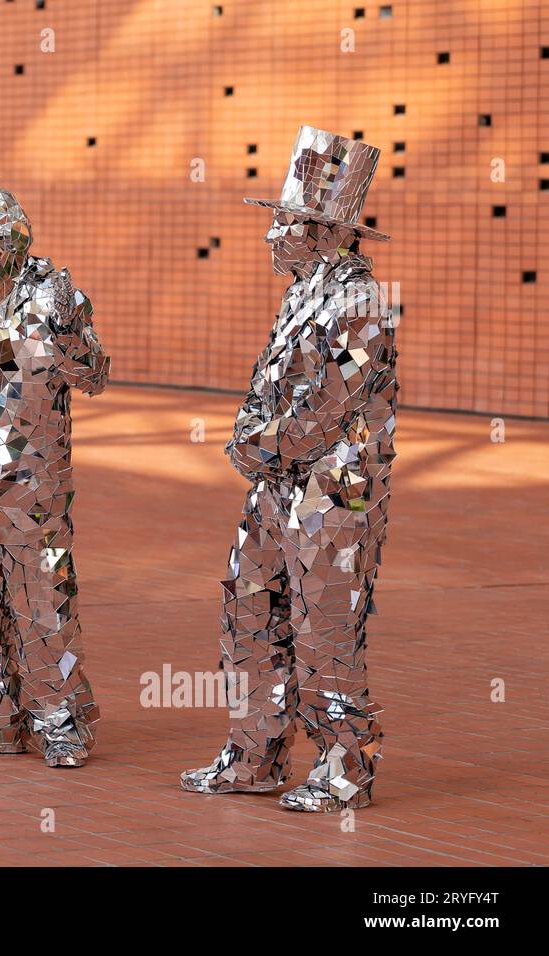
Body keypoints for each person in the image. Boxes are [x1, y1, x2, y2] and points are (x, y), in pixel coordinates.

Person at [181, 127, 397, 811]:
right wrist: (255, 443)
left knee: (325, 627)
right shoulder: (303, 291)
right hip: (274, 489)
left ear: (324, 230)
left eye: (283, 223)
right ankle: (255, 757)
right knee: (249, 612)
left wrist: (253, 447)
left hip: (331, 497)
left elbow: (329, 407)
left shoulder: (360, 303)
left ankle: (345, 769)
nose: (271, 235)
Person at [0, 173, 109, 768]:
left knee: (41, 600)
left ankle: (62, 723)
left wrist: (68, 334)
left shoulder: (53, 293)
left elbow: (94, 376)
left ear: (6, 237)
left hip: (32, 483)